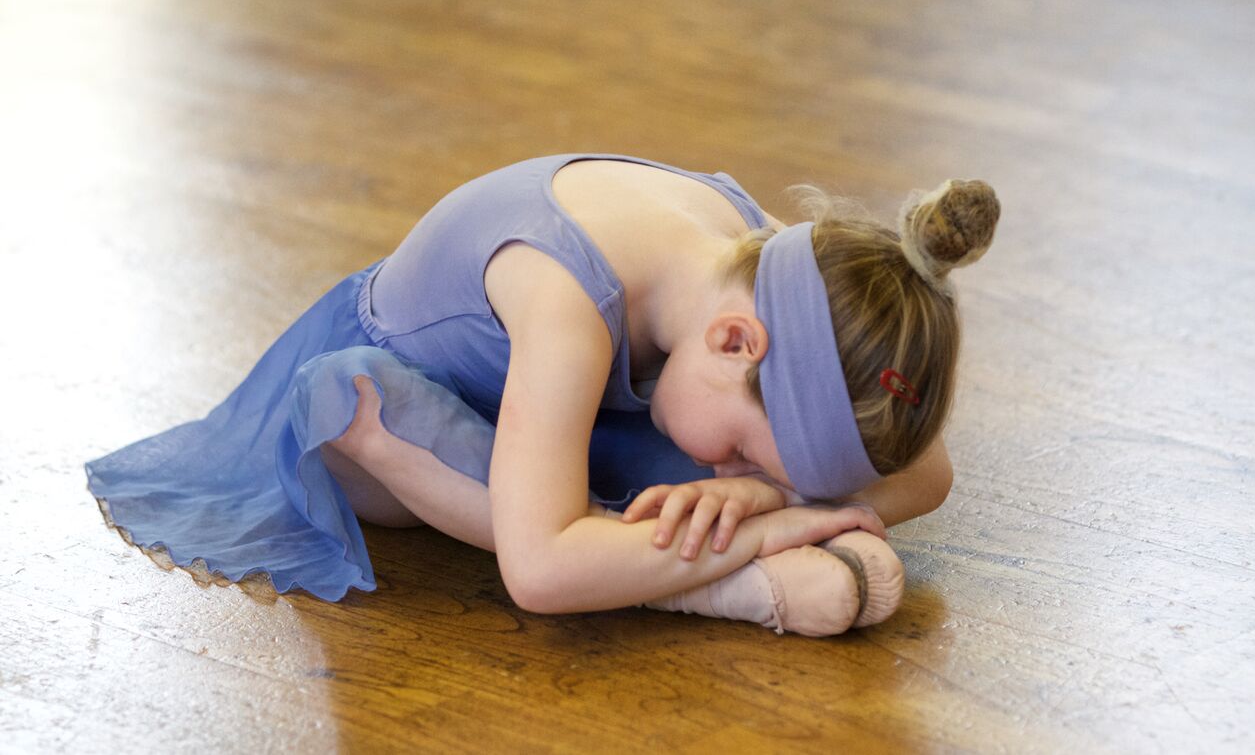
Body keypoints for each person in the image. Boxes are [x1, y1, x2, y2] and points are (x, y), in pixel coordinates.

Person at [86, 153, 999, 637]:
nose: (732, 467)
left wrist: (756, 483)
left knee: (683, 447)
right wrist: (776, 527)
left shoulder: (763, 267)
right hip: (414, 410)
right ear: (734, 342)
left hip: (573, 410)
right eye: (752, 453)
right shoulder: (567, 303)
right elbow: (539, 574)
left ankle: (644, 544)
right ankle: (712, 588)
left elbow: (931, 474)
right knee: (358, 404)